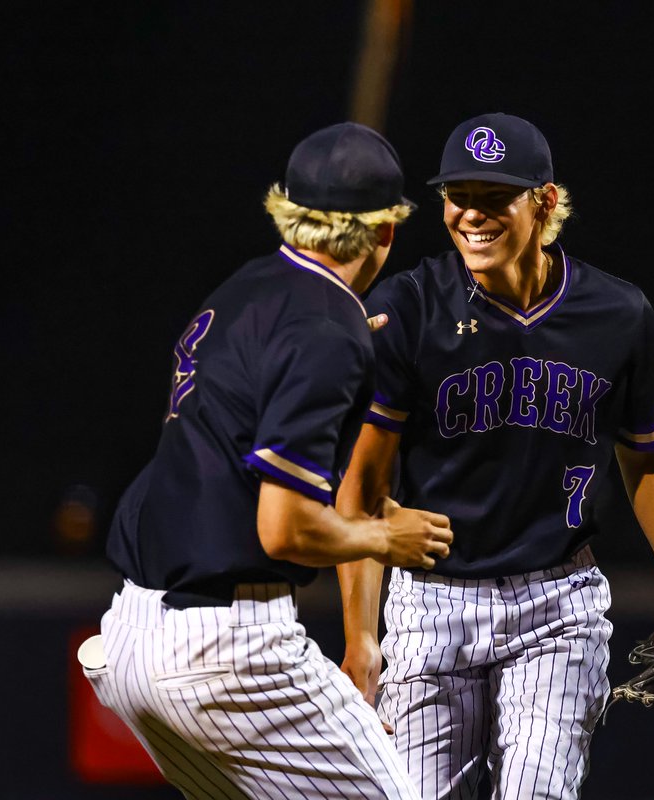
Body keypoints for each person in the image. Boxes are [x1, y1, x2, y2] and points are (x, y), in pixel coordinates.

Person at [335, 112, 654, 799]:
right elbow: (362, 492)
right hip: (431, 602)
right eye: (459, 196)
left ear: (544, 201)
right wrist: (362, 641)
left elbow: (650, 460)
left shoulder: (618, 314)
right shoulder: (411, 308)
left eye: (494, 197)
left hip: (556, 602)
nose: (471, 215)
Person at [81, 122, 452, 799]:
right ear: (387, 230)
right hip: (229, 653)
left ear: (291, 212)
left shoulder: (241, 290)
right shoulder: (325, 328)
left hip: (132, 635)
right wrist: (383, 536)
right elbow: (284, 530)